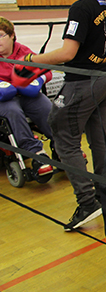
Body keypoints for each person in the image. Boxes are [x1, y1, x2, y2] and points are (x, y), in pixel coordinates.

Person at [15, 0, 106, 231]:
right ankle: (101, 188)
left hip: (84, 82)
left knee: (63, 134)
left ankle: (87, 202)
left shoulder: (80, 7)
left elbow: (67, 53)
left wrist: (32, 60)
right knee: (98, 133)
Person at [0, 17, 54, 176]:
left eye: (0, 35)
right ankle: (36, 154)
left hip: (25, 94)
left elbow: (45, 70)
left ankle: (63, 146)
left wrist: (38, 80)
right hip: (5, 98)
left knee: (46, 107)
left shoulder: (22, 51)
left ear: (11, 35)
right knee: (13, 112)